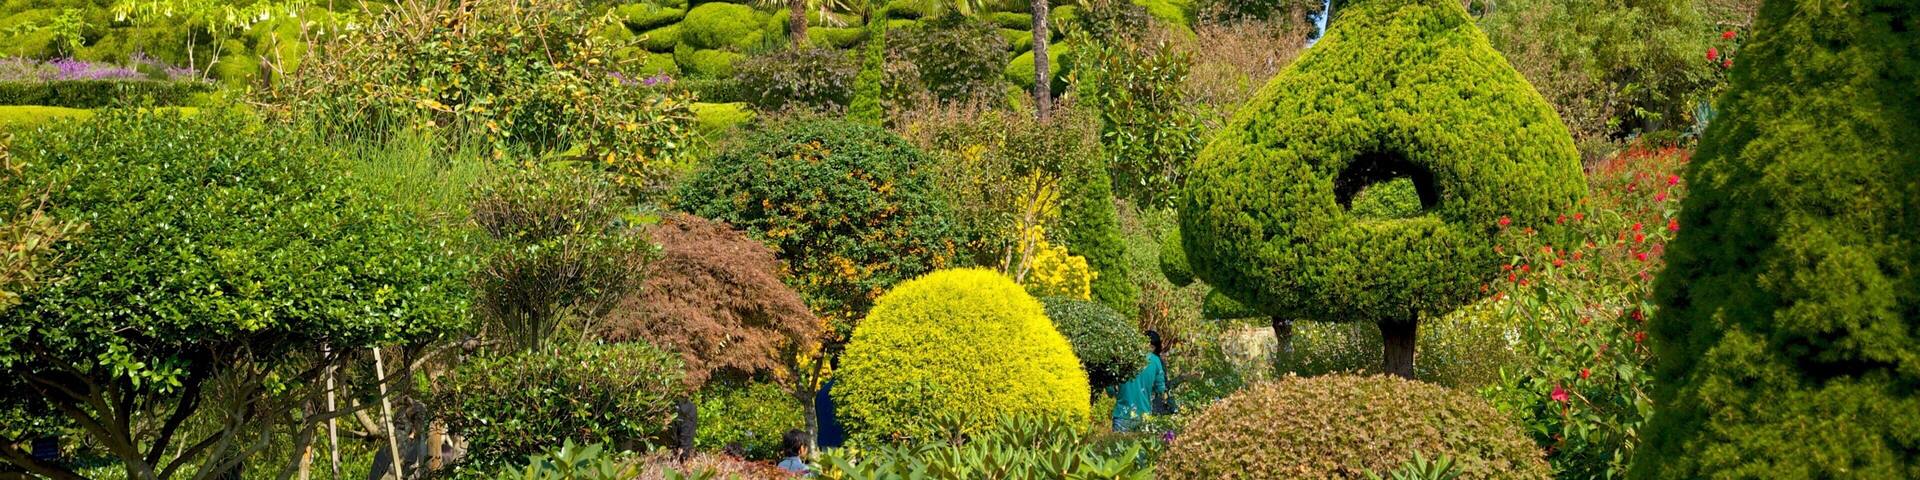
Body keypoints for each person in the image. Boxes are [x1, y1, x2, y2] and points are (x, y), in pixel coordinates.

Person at [1108, 330, 1169, 432]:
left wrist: (1114, 392)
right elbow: (1160, 388)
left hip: (1122, 414)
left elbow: (1109, 378)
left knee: (1117, 446)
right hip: (1143, 415)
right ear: (1155, 347)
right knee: (1141, 447)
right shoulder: (1155, 361)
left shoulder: (1124, 356)